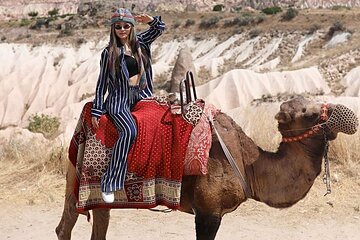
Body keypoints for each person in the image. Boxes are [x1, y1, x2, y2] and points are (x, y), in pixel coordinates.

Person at [91, 8, 165, 203]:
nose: (122, 29)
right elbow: (102, 83)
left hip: (142, 96)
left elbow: (160, 28)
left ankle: (154, 178)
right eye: (118, 26)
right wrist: (97, 110)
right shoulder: (109, 53)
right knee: (129, 132)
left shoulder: (142, 43)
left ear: (132, 27)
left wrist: (151, 20)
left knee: (163, 123)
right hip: (119, 100)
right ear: (113, 29)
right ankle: (109, 182)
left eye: (126, 26)